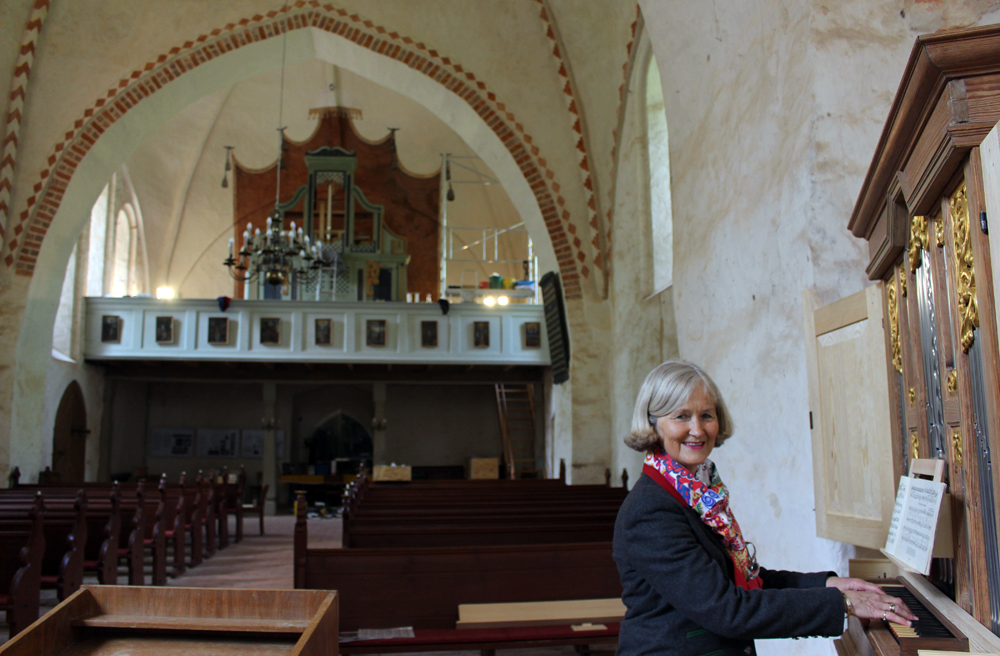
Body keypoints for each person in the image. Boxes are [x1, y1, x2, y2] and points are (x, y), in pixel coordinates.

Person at [613, 360, 916, 656]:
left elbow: (744, 581)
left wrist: (826, 583)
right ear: (653, 424)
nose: (697, 429)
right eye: (681, 416)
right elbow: (727, 610)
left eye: (706, 415)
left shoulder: (698, 495)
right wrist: (843, 604)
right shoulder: (651, 510)